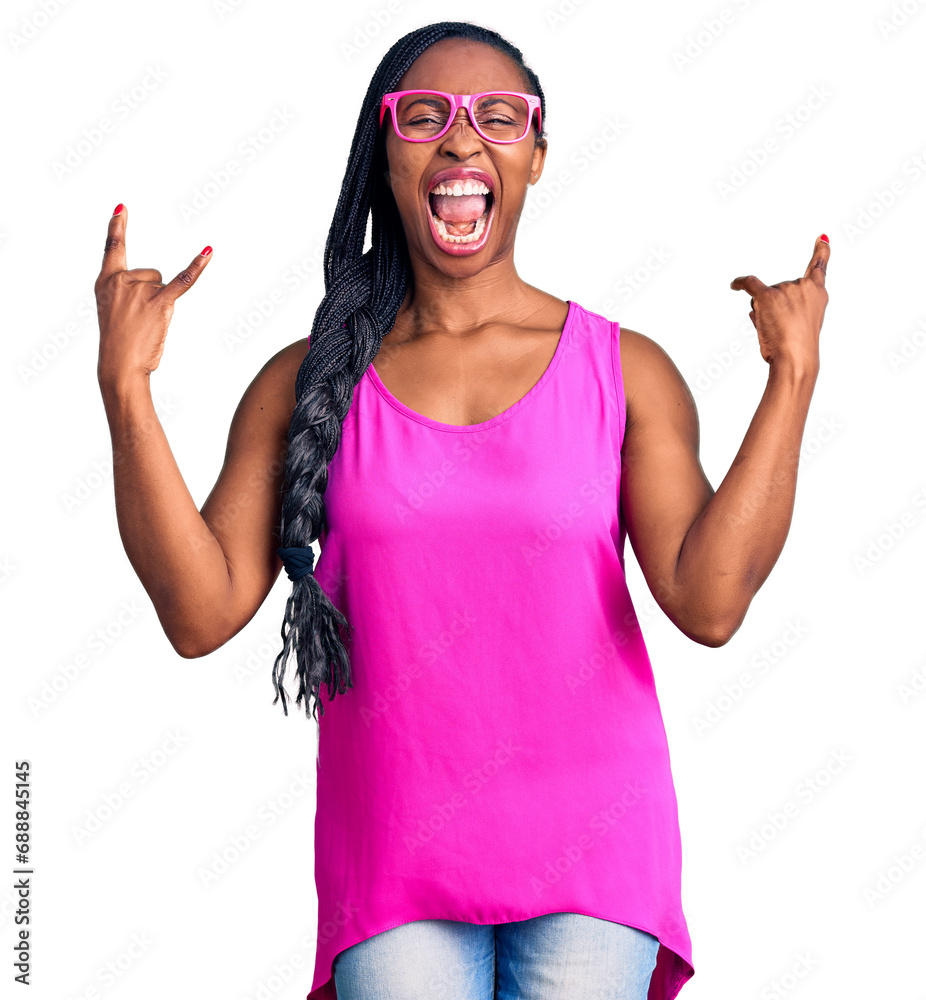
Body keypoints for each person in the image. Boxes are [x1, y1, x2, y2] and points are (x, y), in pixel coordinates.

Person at [94, 19, 829, 1000]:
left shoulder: (625, 372)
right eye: (424, 115)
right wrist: (125, 386)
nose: (459, 138)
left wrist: (792, 377)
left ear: (532, 157)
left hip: (595, 854)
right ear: (383, 152)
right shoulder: (311, 382)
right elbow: (199, 610)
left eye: (495, 116)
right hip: (392, 864)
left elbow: (708, 601)